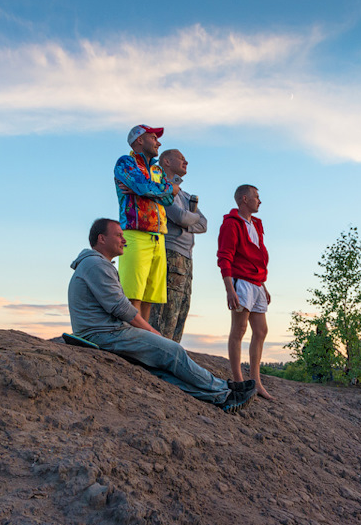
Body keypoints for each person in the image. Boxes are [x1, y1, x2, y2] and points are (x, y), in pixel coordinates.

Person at [68, 218, 255, 413]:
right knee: (173, 351)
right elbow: (121, 307)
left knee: (159, 371)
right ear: (102, 238)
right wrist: (150, 331)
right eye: (119, 235)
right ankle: (225, 390)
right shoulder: (96, 265)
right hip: (105, 333)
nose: (124, 240)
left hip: (100, 333)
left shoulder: (94, 264)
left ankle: (220, 397)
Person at [114, 124, 178, 324]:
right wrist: (163, 188)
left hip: (159, 237)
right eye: (153, 137)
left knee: (150, 297)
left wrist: (153, 189)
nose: (158, 142)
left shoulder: (157, 169)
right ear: (139, 139)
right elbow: (144, 187)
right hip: (135, 233)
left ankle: (143, 342)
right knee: (133, 294)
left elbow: (168, 199)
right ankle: (128, 340)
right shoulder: (126, 162)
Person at [217, 185, 273, 400]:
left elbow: (259, 256)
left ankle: (256, 381)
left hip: (257, 282)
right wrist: (229, 289)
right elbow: (225, 257)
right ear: (244, 199)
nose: (260, 201)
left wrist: (264, 285)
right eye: (256, 197)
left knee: (261, 331)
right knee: (239, 329)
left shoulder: (256, 224)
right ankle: (239, 381)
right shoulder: (231, 224)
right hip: (241, 282)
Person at [148, 149, 207, 342]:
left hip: (187, 258)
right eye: (181, 158)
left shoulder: (184, 194)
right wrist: (190, 219)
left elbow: (203, 224)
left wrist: (188, 221)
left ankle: (171, 356)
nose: (186, 162)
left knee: (181, 309)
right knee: (166, 313)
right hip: (170, 253)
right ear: (166, 161)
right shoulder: (161, 188)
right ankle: (158, 357)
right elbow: (180, 216)